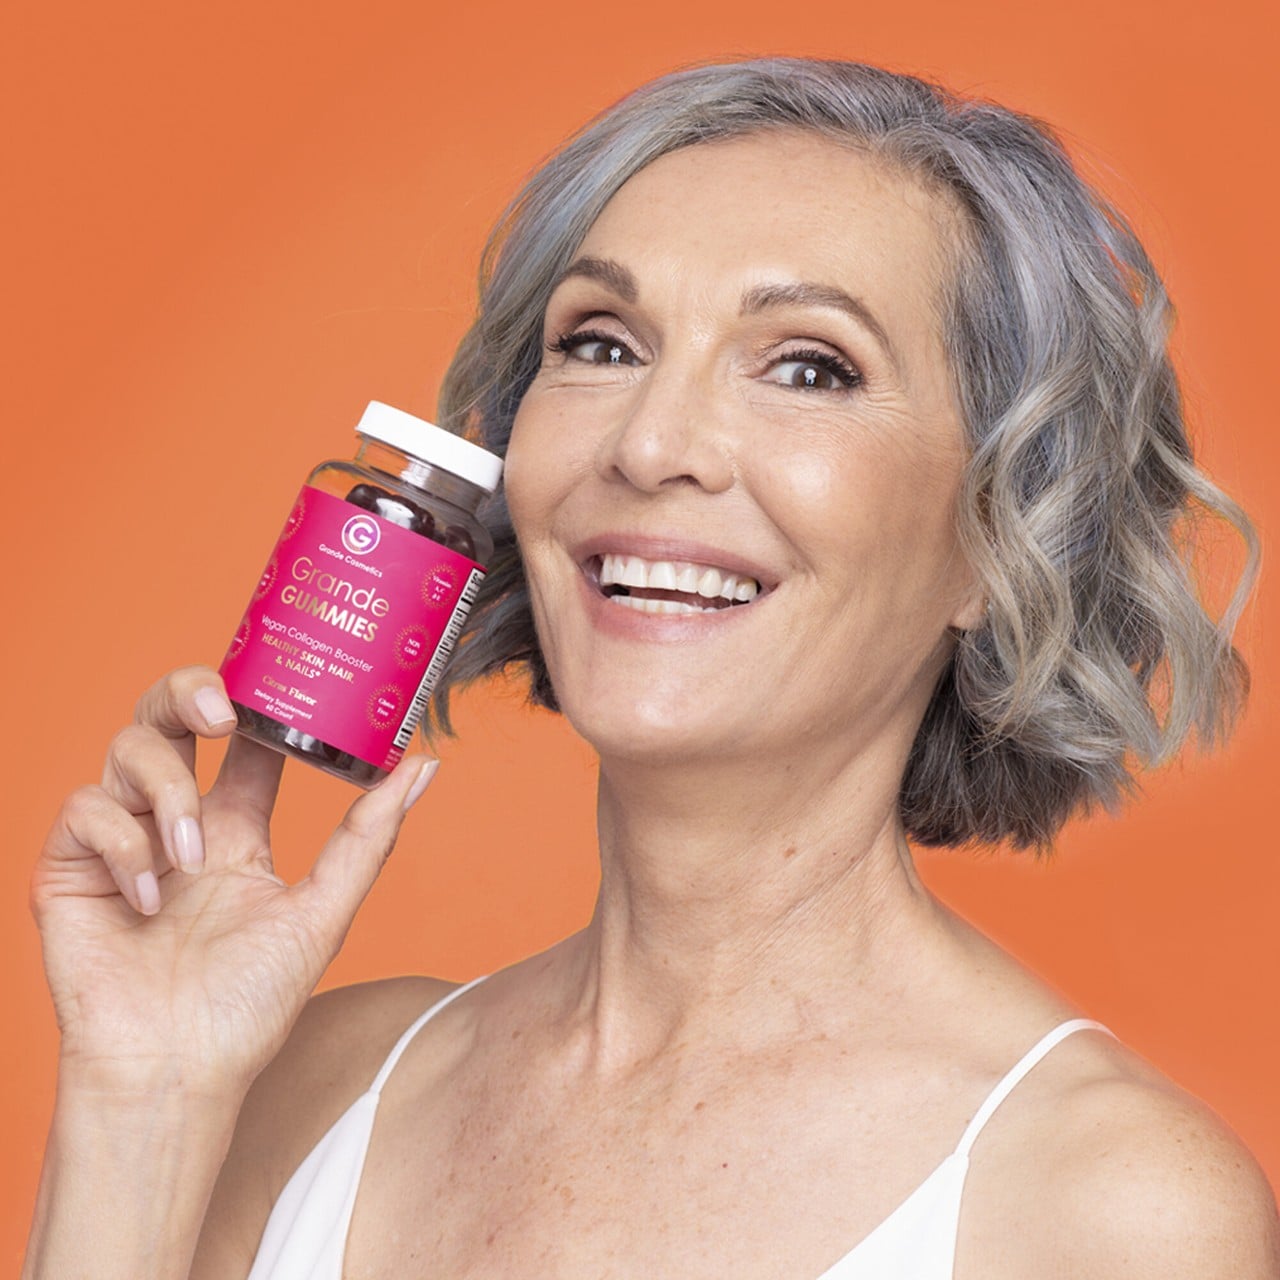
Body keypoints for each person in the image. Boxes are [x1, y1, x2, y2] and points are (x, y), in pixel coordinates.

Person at [23, 58, 1278, 1279]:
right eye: (602, 343)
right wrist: (143, 1095)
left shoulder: (1110, 1208)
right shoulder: (313, 1085)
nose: (650, 442)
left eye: (809, 365)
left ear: (1001, 543)